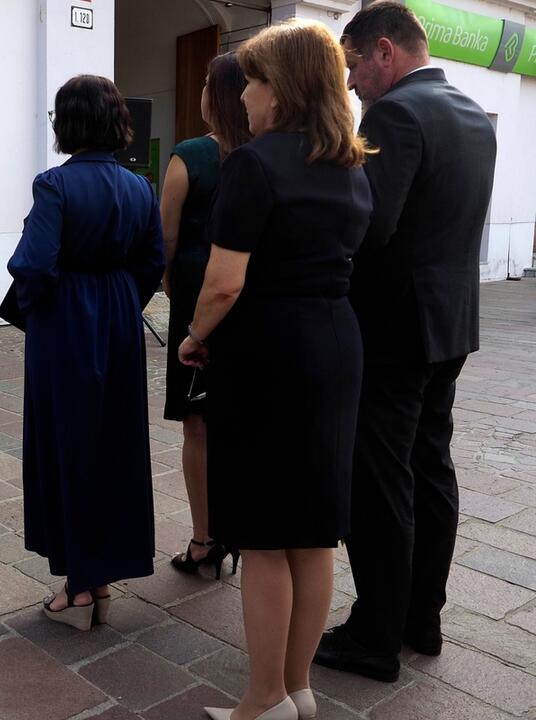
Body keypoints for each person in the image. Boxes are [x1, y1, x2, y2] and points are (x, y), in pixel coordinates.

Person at [177, 20, 372, 720]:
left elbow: (225, 282)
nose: (248, 95)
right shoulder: (350, 164)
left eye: (256, 80)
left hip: (269, 352)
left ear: (282, 88)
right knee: (313, 533)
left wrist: (195, 336)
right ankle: (299, 690)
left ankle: (261, 701)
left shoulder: (253, 164)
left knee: (261, 535)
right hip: (335, 346)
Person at [313, 1, 497, 683]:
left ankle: (375, 635)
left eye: (354, 66)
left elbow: (371, 227)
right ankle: (423, 616)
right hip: (450, 323)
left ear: (384, 51)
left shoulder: (394, 114)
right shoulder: (472, 112)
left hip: (392, 328)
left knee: (380, 478)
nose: (353, 84)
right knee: (431, 468)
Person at [5, 74, 164, 631]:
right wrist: (119, 300)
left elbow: (33, 265)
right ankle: (97, 580)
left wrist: (45, 309)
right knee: (112, 444)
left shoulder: (54, 184)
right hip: (119, 320)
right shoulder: (140, 186)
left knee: (66, 444)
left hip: (66, 323)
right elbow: (152, 263)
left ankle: (76, 589)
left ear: (67, 123)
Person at [161, 52, 251, 579]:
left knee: (198, 423)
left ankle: (204, 540)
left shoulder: (189, 155)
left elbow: (166, 235)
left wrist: (170, 280)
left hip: (200, 297)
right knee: (240, 420)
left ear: (214, 97)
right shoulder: (270, 154)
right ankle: (243, 531)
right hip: (251, 298)